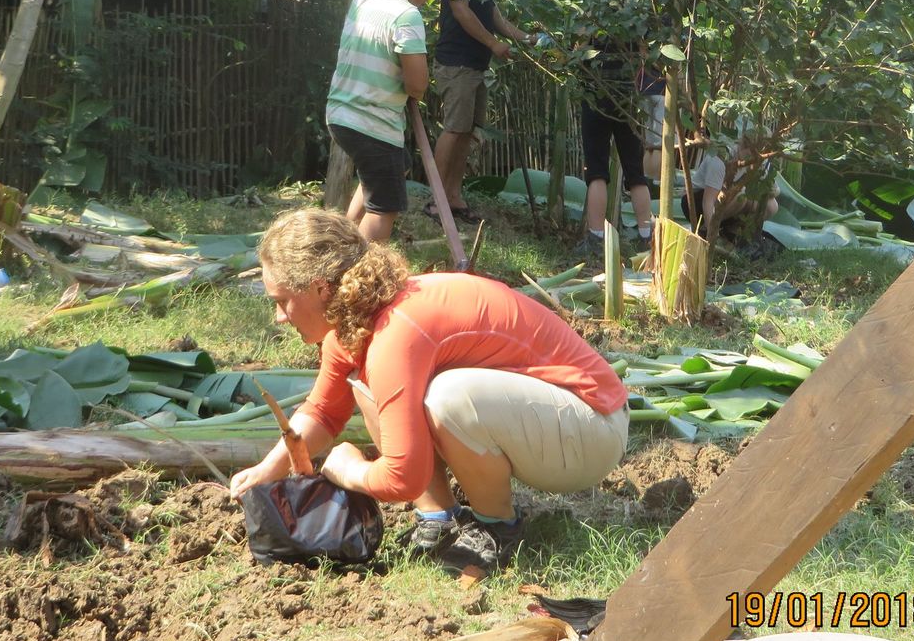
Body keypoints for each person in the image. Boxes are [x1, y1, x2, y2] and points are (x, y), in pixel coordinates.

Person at [230, 208, 630, 575]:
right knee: (365, 385)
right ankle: (439, 518)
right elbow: (323, 411)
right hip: (553, 425)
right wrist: (268, 471)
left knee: (448, 397)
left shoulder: (396, 332)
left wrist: (348, 470)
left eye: (281, 301)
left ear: (319, 289)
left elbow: (403, 477)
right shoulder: (357, 323)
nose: (278, 317)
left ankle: (496, 529)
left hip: (594, 429)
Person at [326, 0, 451, 243]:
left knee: (391, 171)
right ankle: (359, 273)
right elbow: (417, 85)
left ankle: (344, 240)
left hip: (341, 114)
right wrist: (416, 87)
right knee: (385, 207)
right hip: (373, 123)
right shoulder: (406, 15)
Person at [428, 0, 532, 222]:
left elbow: (495, 17)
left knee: (467, 130)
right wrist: (493, 45)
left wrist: (528, 38)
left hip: (475, 65)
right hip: (456, 61)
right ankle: (436, 199)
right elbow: (460, 12)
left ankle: (454, 196)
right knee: (454, 128)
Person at [577, 37, 655, 259]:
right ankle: (646, 237)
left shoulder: (592, 10)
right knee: (636, 172)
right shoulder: (634, 12)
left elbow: (578, 50)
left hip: (595, 92)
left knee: (596, 171)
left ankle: (595, 239)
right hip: (627, 95)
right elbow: (645, 53)